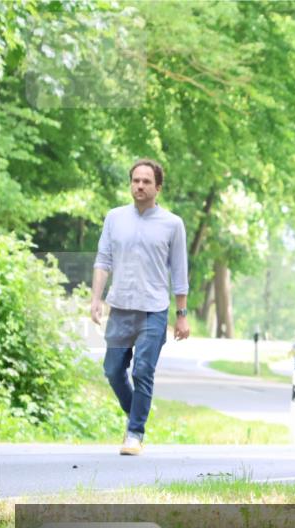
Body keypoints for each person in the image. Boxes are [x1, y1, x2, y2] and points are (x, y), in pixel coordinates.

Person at [91, 159, 189, 456]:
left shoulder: (173, 224)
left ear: (157, 187)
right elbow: (103, 259)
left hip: (154, 309)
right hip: (120, 305)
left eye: (146, 181)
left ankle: (134, 433)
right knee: (112, 370)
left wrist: (181, 315)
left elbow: (180, 272)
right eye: (136, 180)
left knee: (143, 370)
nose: (140, 186)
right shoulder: (115, 218)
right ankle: (136, 411)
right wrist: (95, 298)